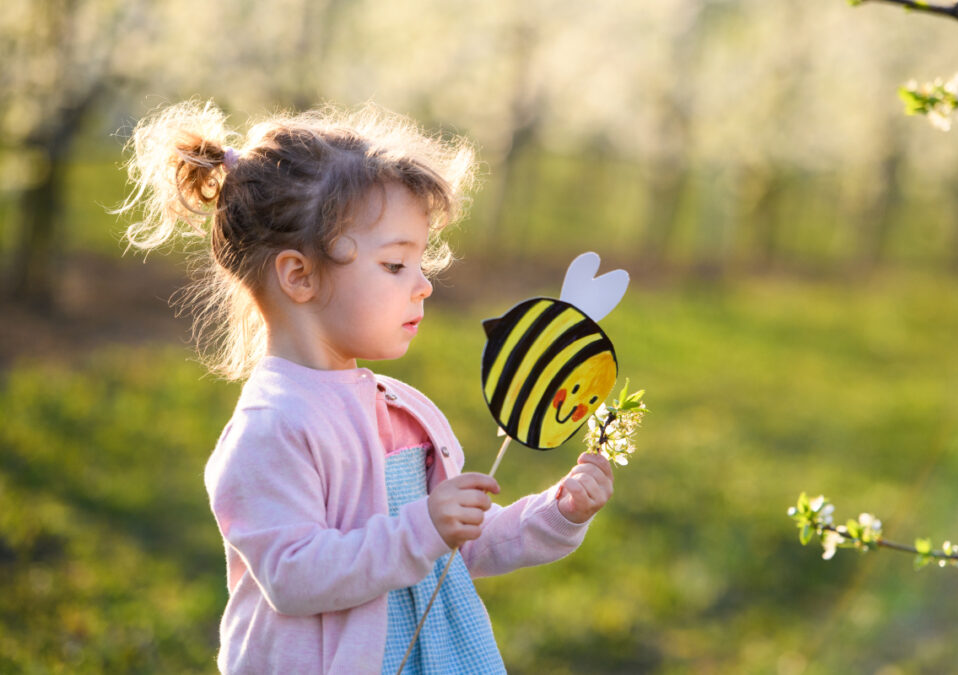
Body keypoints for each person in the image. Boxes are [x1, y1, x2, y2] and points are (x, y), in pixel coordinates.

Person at [115, 100, 615, 674]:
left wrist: (557, 514)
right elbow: (293, 576)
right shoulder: (273, 427)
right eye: (396, 266)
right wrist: (423, 526)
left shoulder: (404, 411)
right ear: (299, 276)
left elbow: (452, 551)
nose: (423, 285)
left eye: (420, 263)